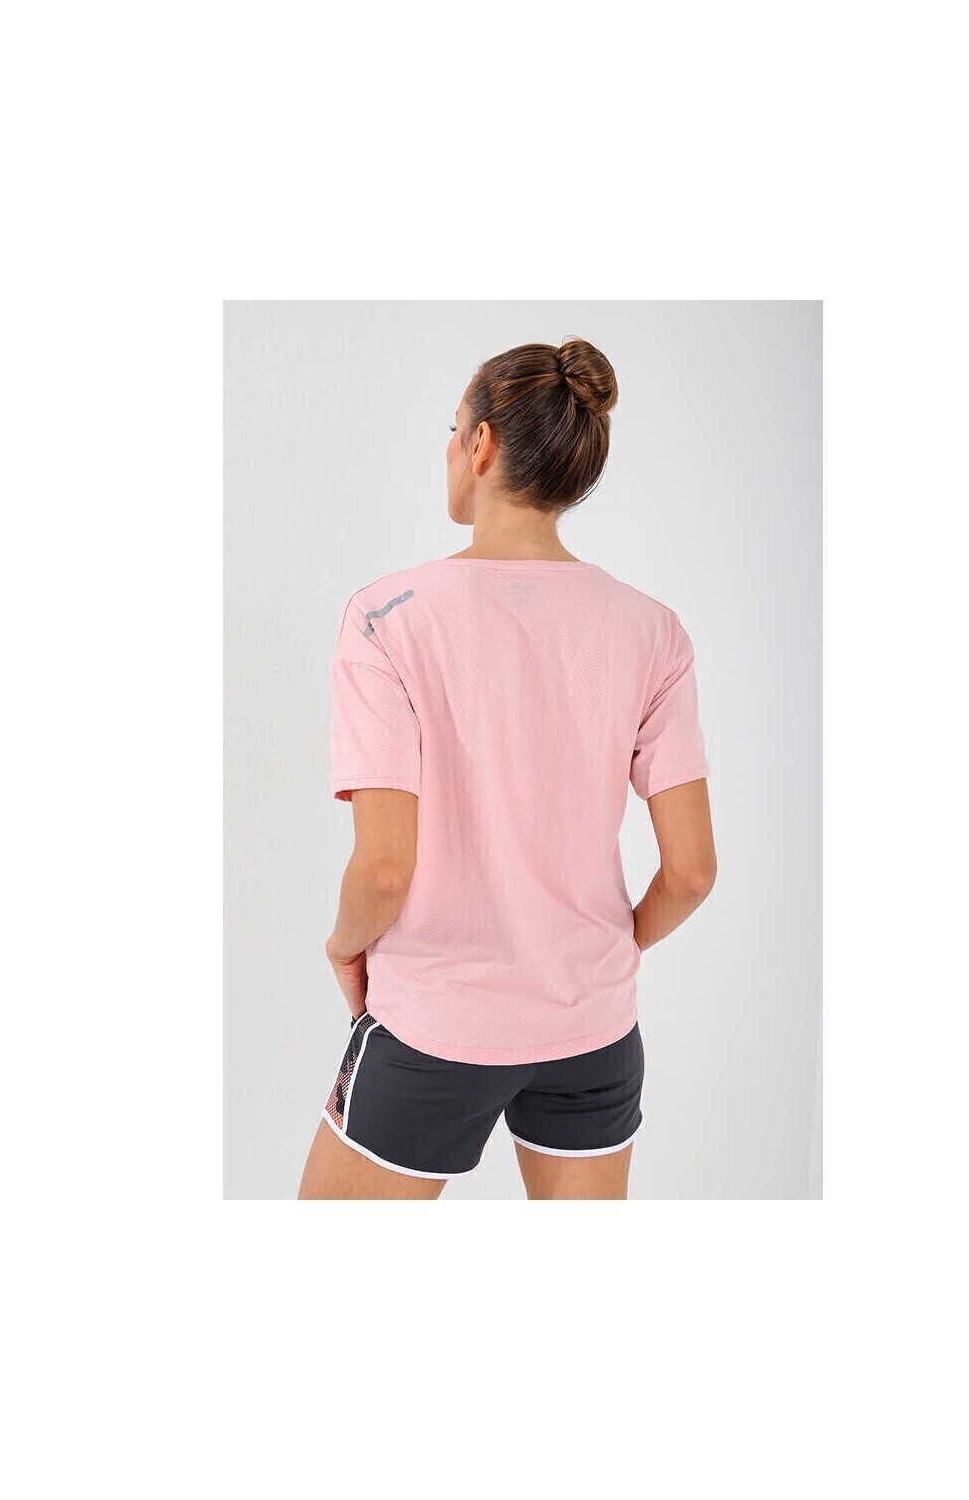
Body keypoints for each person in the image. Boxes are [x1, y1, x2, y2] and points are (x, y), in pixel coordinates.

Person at [297, 338, 717, 1200]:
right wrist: (600, 951)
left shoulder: (385, 619)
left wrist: (342, 946)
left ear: (480, 444)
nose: (450, 449)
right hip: (593, 1031)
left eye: (452, 429)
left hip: (432, 1026)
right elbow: (692, 872)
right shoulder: (654, 631)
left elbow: (384, 868)